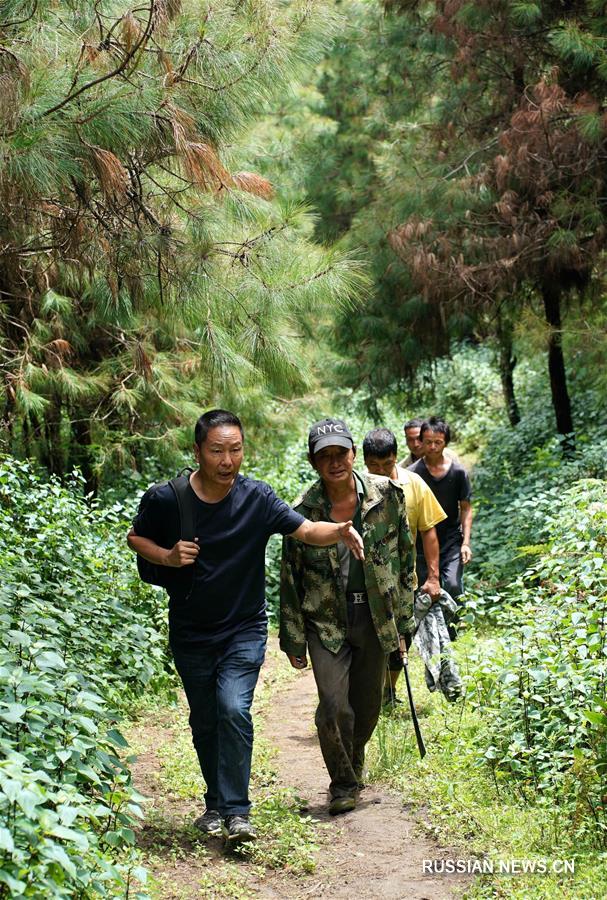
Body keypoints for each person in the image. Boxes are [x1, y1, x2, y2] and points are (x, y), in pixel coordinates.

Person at [127, 409, 363, 845]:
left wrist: (340, 531)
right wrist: (166, 556)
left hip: (244, 628)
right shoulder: (168, 498)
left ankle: (237, 812)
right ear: (198, 451)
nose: (227, 460)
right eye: (217, 450)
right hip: (191, 629)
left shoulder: (257, 498)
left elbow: (306, 529)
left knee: (233, 709)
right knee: (205, 718)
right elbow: (135, 538)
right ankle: (215, 804)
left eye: (235, 450)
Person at [280, 418, 414, 815]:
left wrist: (403, 622)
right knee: (333, 705)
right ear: (313, 461)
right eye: (326, 456)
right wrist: (293, 638)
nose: (335, 462)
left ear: (354, 454)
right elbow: (290, 577)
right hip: (326, 620)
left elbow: (405, 558)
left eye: (341, 453)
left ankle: (353, 765)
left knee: (368, 704)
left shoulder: (387, 496)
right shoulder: (302, 512)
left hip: (375, 614)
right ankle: (342, 783)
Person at [363, 427, 447, 703]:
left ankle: (388, 690)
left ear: (396, 457)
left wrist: (433, 577)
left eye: (387, 464)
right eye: (373, 466)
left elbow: (429, 532)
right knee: (370, 641)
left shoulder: (414, 484)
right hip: (367, 582)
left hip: (403, 581)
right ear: (363, 462)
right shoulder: (356, 487)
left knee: (402, 638)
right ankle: (369, 691)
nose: (381, 471)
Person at [408, 417, 472, 612]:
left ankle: (457, 629)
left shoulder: (458, 473)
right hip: (422, 542)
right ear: (421, 441)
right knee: (423, 591)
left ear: (446, 443)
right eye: (428, 442)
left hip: (451, 540)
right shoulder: (413, 474)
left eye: (438, 442)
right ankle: (428, 636)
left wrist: (465, 543)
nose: (433, 447)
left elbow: (466, 508)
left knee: (453, 585)